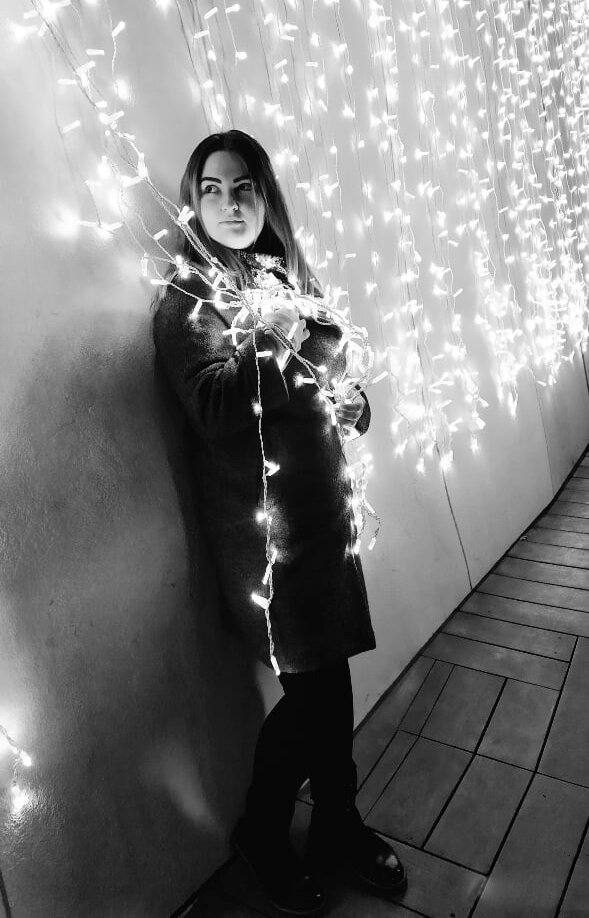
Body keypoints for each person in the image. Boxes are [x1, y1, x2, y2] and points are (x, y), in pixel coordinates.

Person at [152, 130, 406, 915]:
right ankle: (265, 831)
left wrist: (354, 405)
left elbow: (330, 375)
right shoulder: (190, 300)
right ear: (193, 202)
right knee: (311, 698)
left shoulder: (290, 279)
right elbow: (214, 408)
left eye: (245, 187)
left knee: (333, 679)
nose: (230, 204)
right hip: (267, 546)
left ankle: (336, 822)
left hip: (324, 522)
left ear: (266, 195)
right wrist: (271, 340)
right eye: (213, 189)